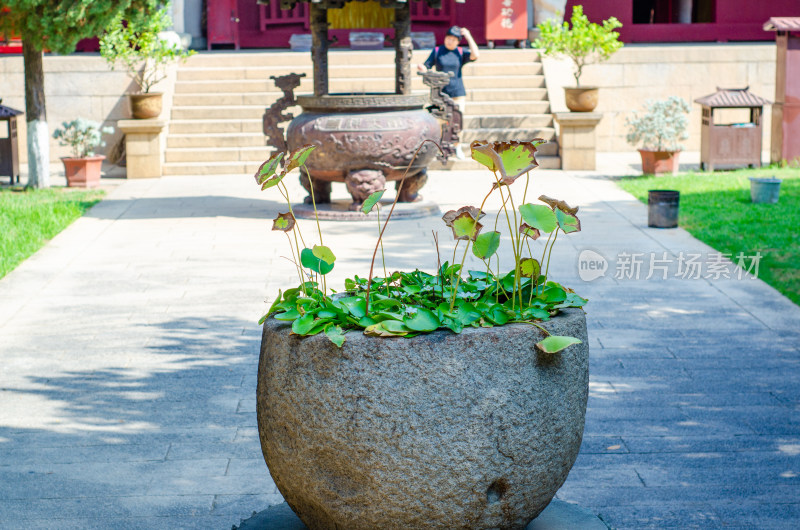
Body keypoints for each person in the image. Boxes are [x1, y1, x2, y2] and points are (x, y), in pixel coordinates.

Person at [418, 25, 479, 160]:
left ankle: (457, 146)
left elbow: (476, 55)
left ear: (458, 41)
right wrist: (422, 68)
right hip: (440, 94)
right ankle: (439, 148)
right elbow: (426, 66)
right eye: (448, 38)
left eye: (453, 39)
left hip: (457, 92)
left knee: (457, 122)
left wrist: (468, 36)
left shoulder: (460, 52)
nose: (449, 41)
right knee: (438, 121)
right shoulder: (438, 50)